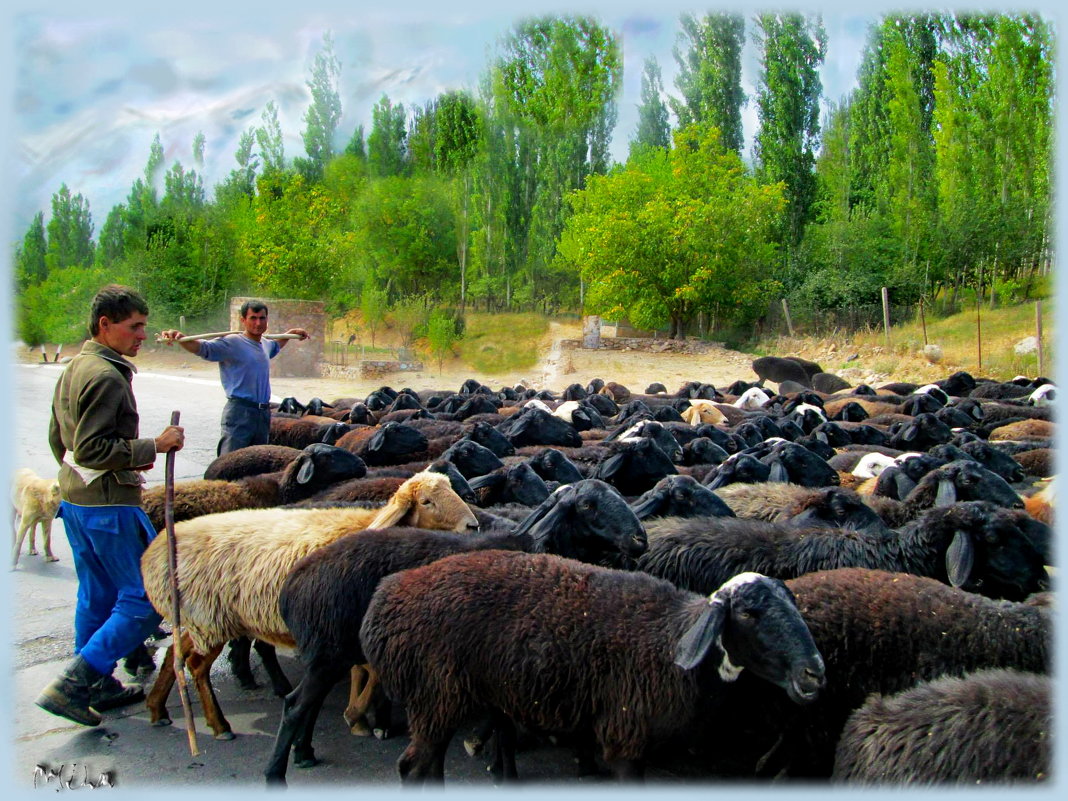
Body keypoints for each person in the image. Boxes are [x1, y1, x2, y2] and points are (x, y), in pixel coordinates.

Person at [37, 284, 185, 727]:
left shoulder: (75, 367)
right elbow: (91, 448)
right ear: (106, 325)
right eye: (134, 327)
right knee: (145, 598)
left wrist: (79, 482)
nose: (143, 335)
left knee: (97, 593)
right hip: (107, 507)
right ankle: (75, 683)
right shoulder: (105, 376)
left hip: (78, 503)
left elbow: (57, 440)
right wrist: (153, 446)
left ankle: (97, 683)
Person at [160, 300, 308, 455]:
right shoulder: (232, 343)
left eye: (262, 318)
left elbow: (276, 346)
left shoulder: (265, 344)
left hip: (262, 414)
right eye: (253, 318)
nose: (258, 323)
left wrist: (290, 334)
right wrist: (180, 338)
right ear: (243, 320)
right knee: (230, 463)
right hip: (240, 413)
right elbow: (203, 348)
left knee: (257, 463)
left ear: (267, 320)